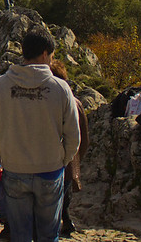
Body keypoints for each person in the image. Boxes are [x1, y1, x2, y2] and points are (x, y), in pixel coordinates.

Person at [0, 26, 80, 242]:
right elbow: (74, 136)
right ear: (45, 53)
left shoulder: (0, 85)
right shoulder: (61, 88)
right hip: (50, 170)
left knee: (20, 234)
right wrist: (61, 160)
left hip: (13, 168)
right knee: (48, 234)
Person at [49, 59, 90, 236]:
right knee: (64, 195)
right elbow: (84, 137)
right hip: (68, 158)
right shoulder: (76, 102)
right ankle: (65, 220)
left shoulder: (46, 102)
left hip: (51, 159)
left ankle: (59, 223)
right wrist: (76, 156)